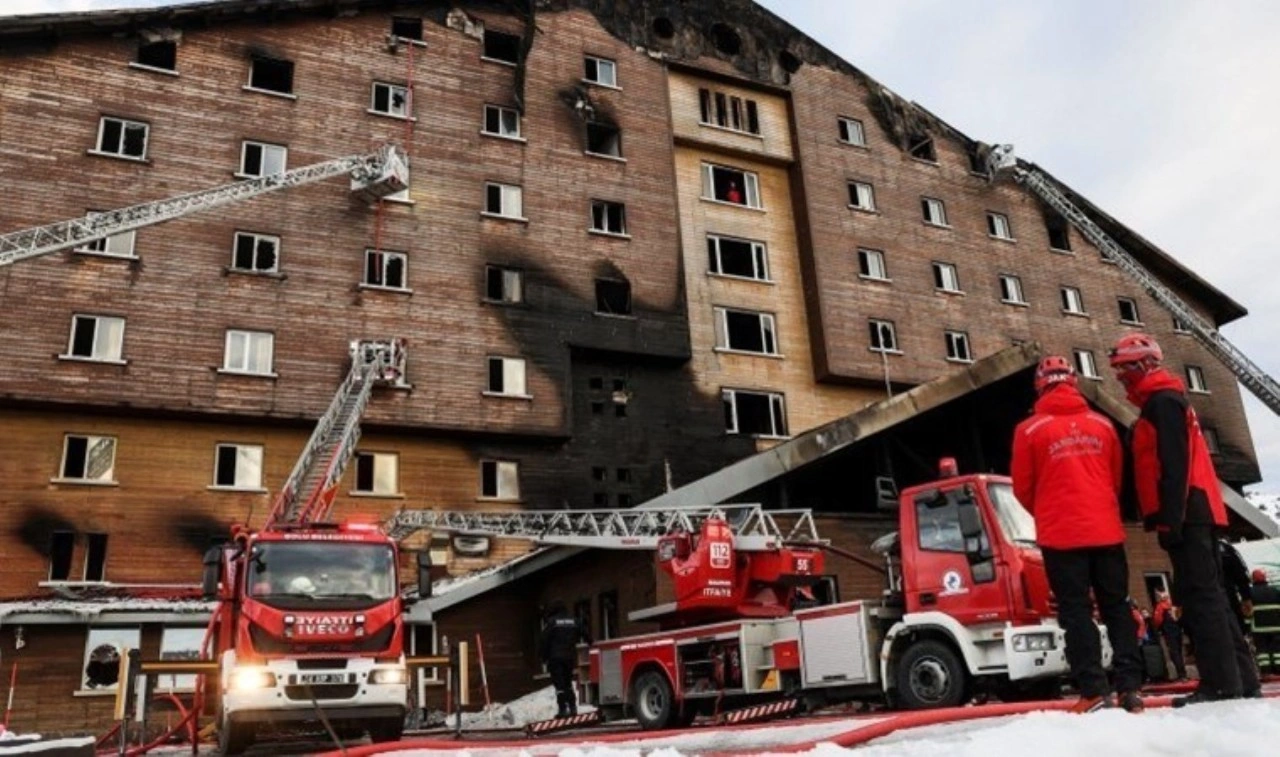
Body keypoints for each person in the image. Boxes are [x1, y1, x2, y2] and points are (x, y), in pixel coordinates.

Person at [1109, 333, 1260, 706]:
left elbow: (1173, 465)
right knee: (1212, 596)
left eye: (1123, 369)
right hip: (1195, 509)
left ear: (1142, 365)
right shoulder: (1165, 401)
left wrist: (1170, 519)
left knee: (1200, 598)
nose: (1119, 377)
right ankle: (1240, 679)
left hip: (1187, 511)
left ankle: (1221, 685)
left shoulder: (1162, 402)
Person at [1011, 356, 1144, 713]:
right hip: (1106, 531)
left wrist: (1050, 511)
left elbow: (1023, 488)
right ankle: (1131, 688)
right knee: (1117, 607)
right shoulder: (1102, 424)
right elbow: (1115, 480)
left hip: (1061, 536)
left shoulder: (1028, 430)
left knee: (1076, 612)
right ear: (1073, 382)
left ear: (1040, 384)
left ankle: (1094, 691)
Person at [539, 600, 591, 718]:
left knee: (559, 685)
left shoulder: (552, 623)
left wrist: (543, 657)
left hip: (555, 658)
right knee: (568, 683)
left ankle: (563, 709)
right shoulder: (573, 620)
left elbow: (544, 641)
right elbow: (585, 632)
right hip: (569, 657)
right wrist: (591, 643)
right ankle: (573, 708)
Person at [1219, 538, 1253, 636]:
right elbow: (1241, 575)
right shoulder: (1226, 549)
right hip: (1228, 599)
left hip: (1205, 604)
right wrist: (1246, 597)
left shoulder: (1191, 550)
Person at [1152, 590, 1188, 681]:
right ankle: (1183, 673)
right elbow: (1179, 617)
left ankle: (1181, 674)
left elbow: (1157, 621)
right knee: (1179, 651)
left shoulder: (1160, 607)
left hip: (1169, 632)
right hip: (1178, 630)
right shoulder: (1172, 605)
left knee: (1174, 652)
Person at [1250, 568, 1280, 676]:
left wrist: (1246, 626)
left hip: (1259, 628)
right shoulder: (1275, 591)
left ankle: (1266, 671)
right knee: (1277, 649)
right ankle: (1278, 669)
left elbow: (1247, 611)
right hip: (1276, 627)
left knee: (1262, 651)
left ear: (1252, 579)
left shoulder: (1250, 593)